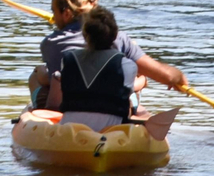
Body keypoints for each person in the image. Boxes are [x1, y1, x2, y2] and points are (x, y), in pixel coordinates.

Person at [27, 0, 185, 109]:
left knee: (35, 77)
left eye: (54, 11)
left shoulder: (51, 43)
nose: (53, 17)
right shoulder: (119, 37)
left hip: (71, 106)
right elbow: (164, 75)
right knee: (136, 78)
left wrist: (41, 73)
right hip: (113, 106)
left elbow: (57, 81)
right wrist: (177, 77)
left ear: (67, 14)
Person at [47, 7, 175, 132]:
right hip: (110, 129)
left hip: (71, 127)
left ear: (85, 35)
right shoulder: (127, 64)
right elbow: (128, 88)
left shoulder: (68, 59)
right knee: (132, 97)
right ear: (114, 36)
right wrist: (143, 80)